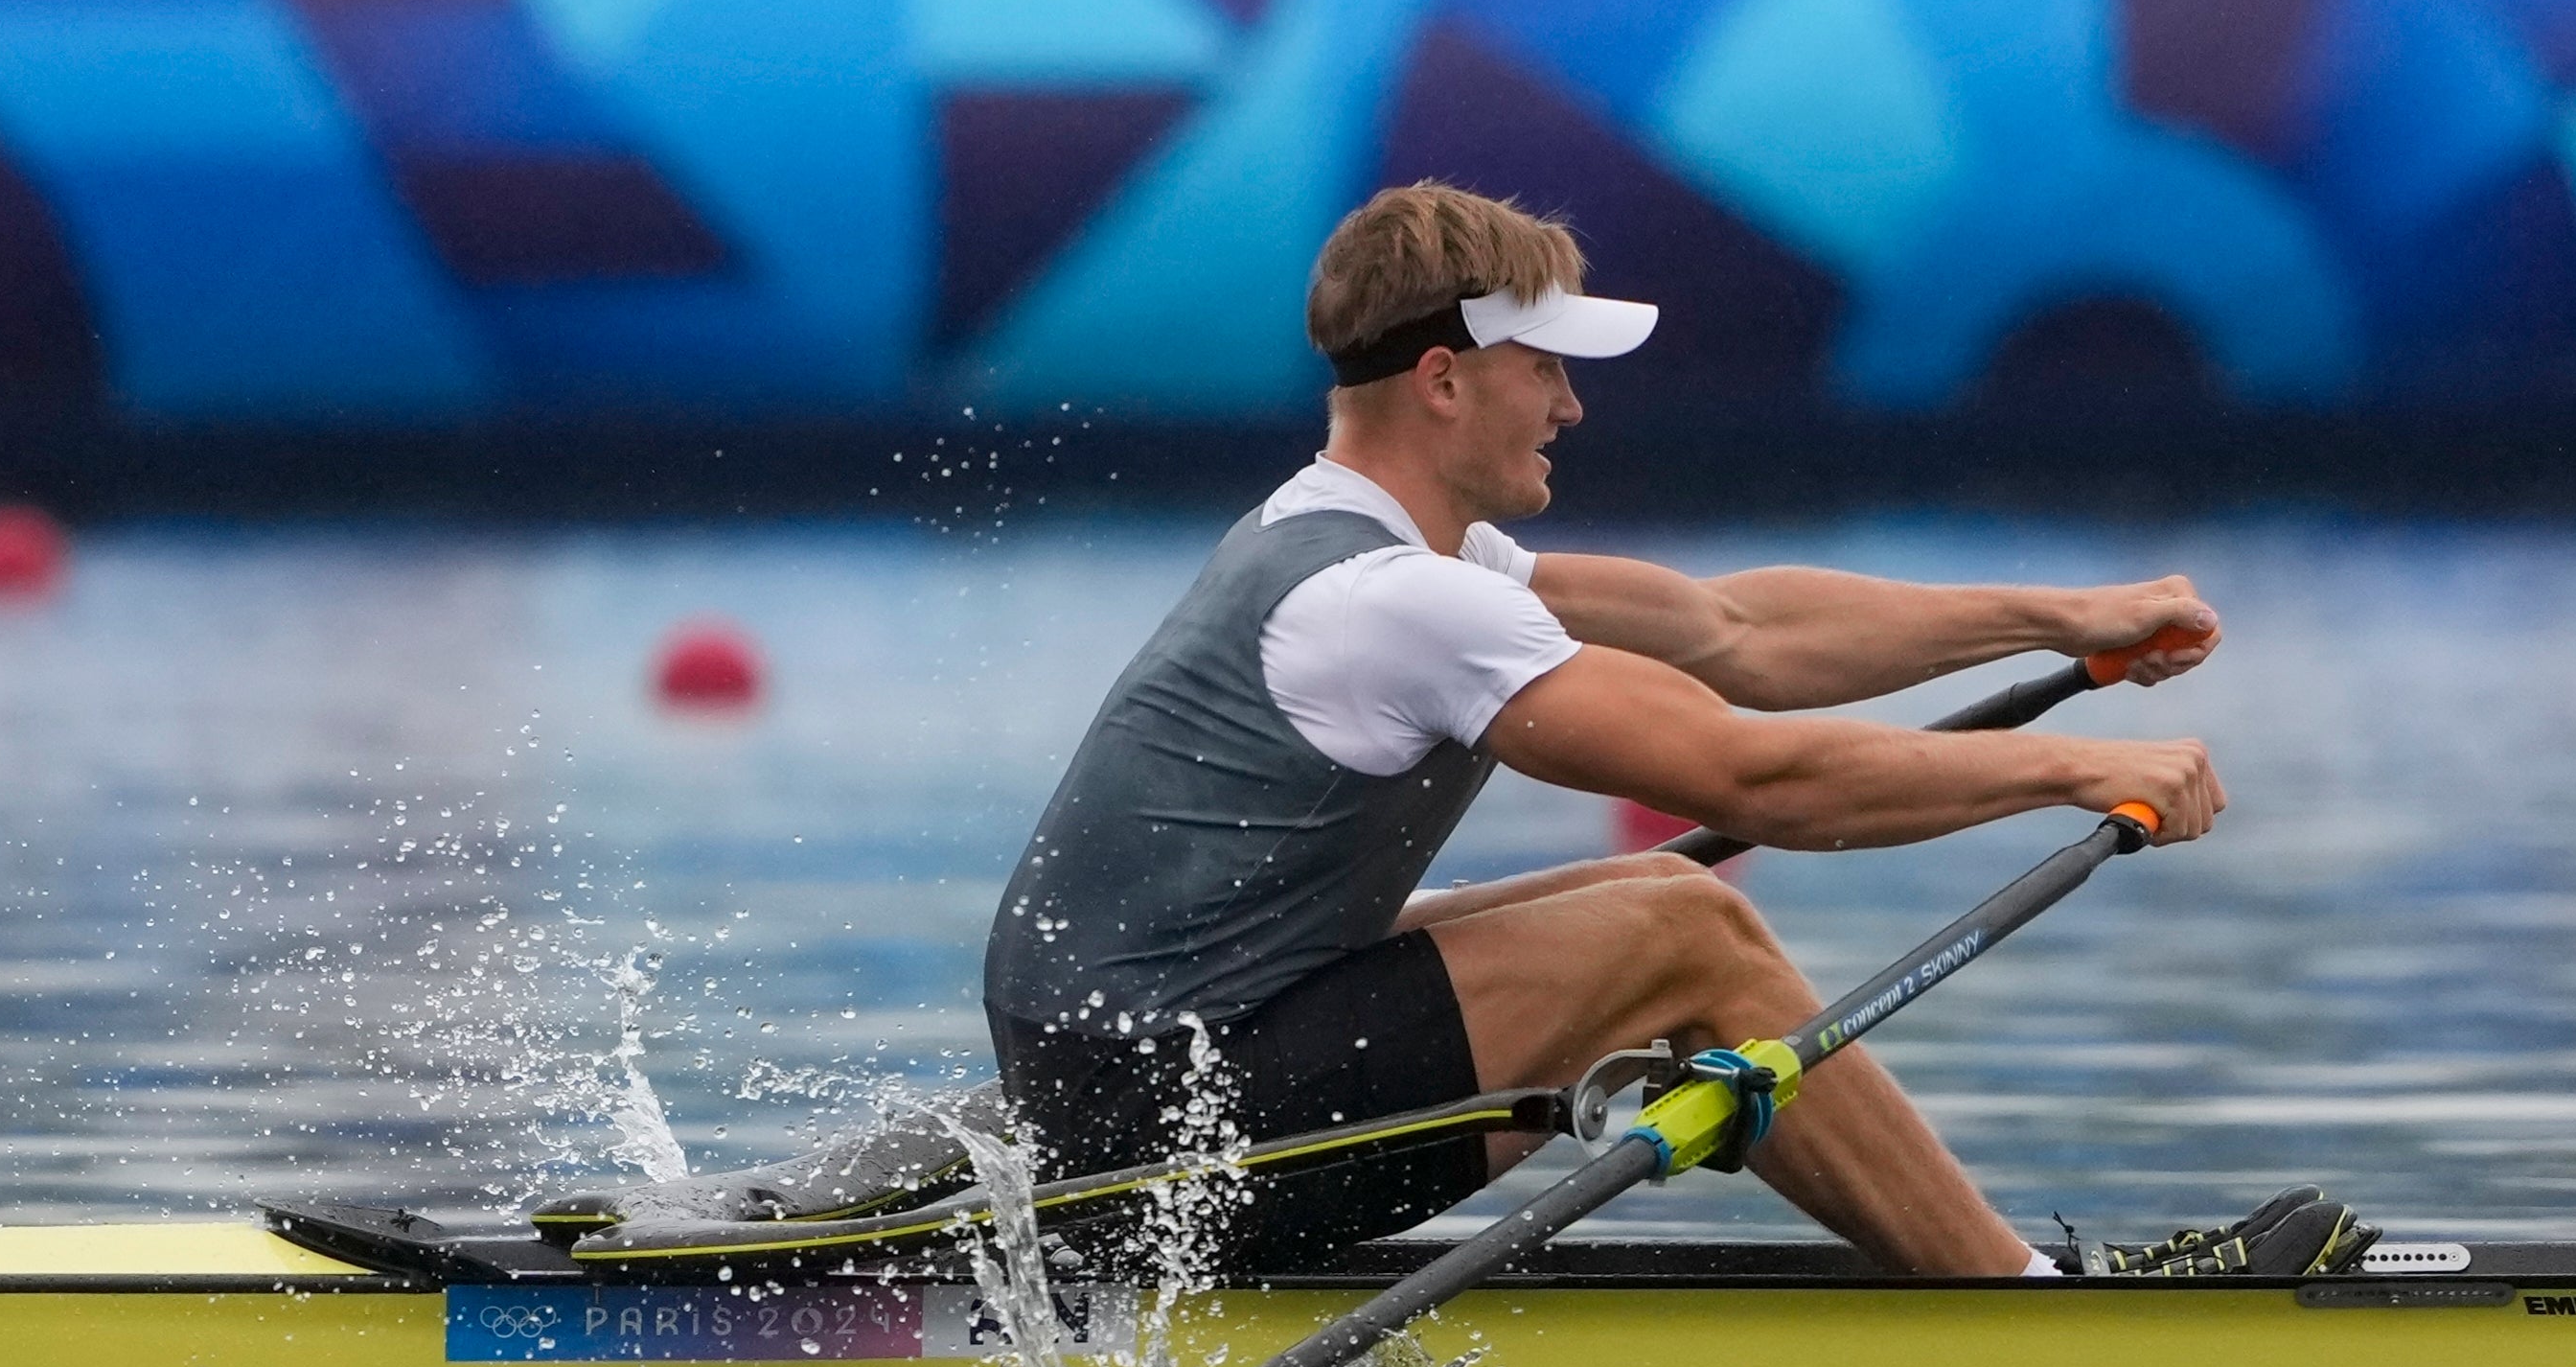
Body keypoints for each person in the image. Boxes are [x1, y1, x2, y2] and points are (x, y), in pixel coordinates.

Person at [983, 182, 2367, 1280]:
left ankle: (1979, 1271)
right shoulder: (1392, 596)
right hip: (1163, 1146)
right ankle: (2018, 1304)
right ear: (1445, 379)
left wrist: (2061, 617)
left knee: (1658, 890)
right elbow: (1753, 775)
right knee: (1686, 936)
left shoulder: (1353, 537)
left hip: (1139, 1091)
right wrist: (2076, 765)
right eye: (1547, 368)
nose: (1573, 405)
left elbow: (1734, 633)